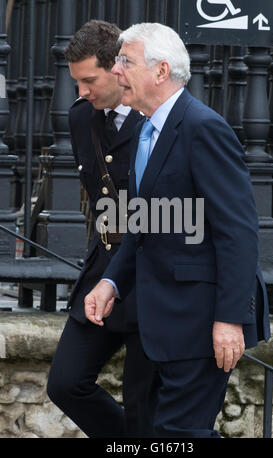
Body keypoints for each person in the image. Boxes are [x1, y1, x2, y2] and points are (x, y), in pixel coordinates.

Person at [84, 22, 271, 438]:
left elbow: (238, 231)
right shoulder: (147, 129)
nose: (116, 71)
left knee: (178, 435)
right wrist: (112, 282)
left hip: (201, 321)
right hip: (161, 322)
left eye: (125, 61)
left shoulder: (204, 128)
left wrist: (229, 319)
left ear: (161, 71)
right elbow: (145, 223)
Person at [47, 20, 154, 438]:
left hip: (151, 274)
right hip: (104, 269)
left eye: (89, 80)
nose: (82, 92)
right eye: (76, 82)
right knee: (66, 383)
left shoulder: (156, 119)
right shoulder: (80, 118)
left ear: (117, 68)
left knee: (145, 403)